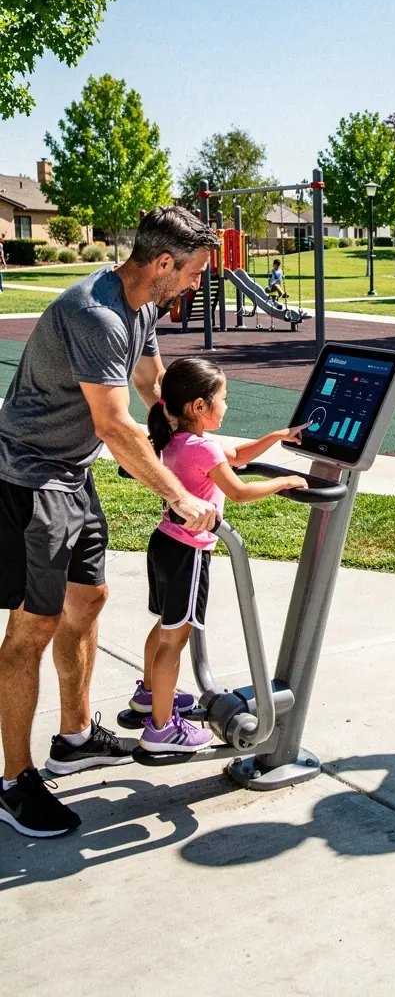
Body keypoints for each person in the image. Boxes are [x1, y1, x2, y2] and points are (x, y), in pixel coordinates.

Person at [0, 206, 221, 839]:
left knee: (88, 598)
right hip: (29, 475)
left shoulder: (144, 306)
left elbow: (153, 384)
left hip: (73, 472)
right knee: (30, 626)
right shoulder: (94, 312)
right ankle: (14, 781)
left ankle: (74, 738)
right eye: (194, 272)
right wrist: (180, 494)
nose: (196, 284)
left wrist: (187, 438)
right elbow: (114, 424)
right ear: (162, 264)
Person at [130, 357, 308, 753]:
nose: (227, 405)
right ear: (199, 407)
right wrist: (284, 481)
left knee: (164, 627)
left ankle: (148, 696)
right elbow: (240, 491)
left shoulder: (177, 439)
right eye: (223, 398)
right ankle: (162, 729)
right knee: (176, 640)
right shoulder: (204, 448)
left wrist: (276, 436)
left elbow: (240, 456)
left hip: (164, 543)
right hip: (189, 552)